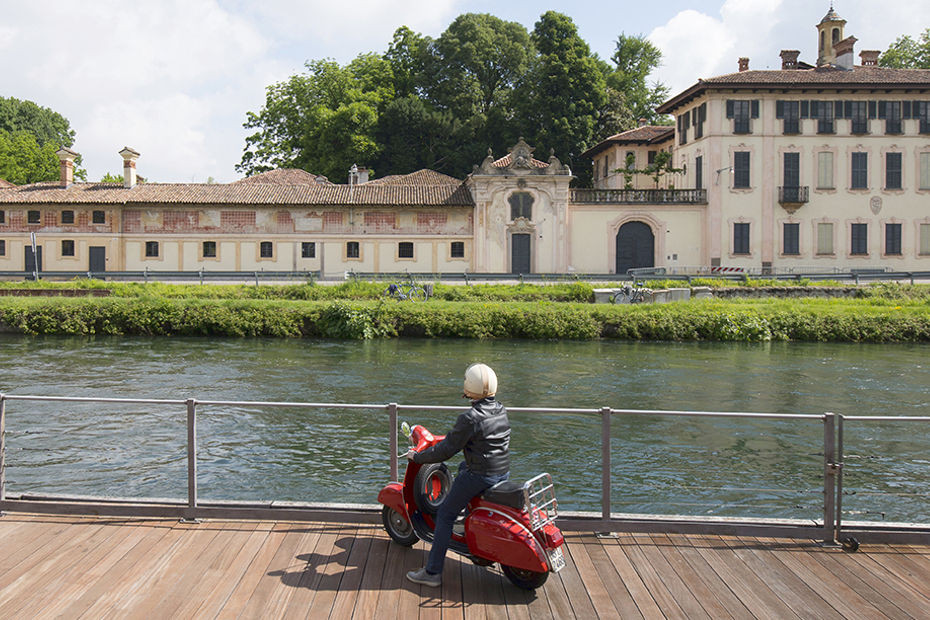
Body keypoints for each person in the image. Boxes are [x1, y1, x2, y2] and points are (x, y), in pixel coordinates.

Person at [405, 362, 511, 587]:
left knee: (444, 514)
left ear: (469, 386)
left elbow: (446, 450)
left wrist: (417, 458)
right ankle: (467, 519)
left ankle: (432, 573)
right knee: (463, 467)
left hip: (481, 475)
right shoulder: (500, 409)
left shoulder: (470, 418)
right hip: (502, 471)